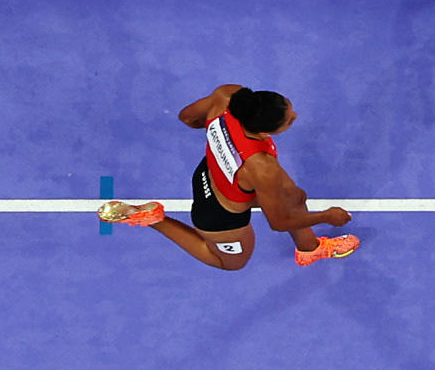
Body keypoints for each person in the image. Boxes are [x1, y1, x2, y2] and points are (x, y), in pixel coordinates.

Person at [100, 83, 358, 270]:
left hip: (208, 174)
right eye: (289, 121)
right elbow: (278, 222)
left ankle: (309, 251)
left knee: (294, 197)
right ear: (266, 130)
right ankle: (154, 219)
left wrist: (223, 137)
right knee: (231, 263)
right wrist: (328, 216)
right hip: (219, 217)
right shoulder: (263, 168)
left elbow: (187, 117)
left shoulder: (226, 96)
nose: (295, 116)